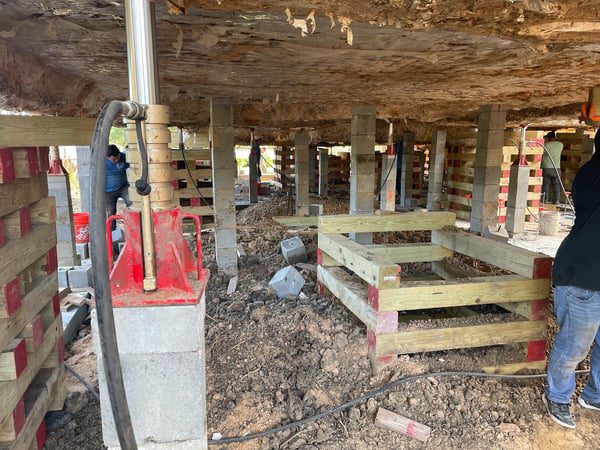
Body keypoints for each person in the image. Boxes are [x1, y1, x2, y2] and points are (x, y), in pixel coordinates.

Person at [543, 129, 600, 429]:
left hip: (590, 273)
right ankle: (558, 396)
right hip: (582, 276)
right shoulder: (592, 176)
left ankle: (595, 395)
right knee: (574, 346)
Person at [105, 144, 132, 229]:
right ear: (108, 157)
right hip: (109, 192)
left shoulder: (124, 157)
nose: (116, 160)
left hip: (123, 187)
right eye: (113, 159)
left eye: (117, 157)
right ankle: (112, 234)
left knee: (132, 203)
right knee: (110, 213)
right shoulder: (102, 163)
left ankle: (132, 227)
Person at [542, 131, 564, 204]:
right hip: (556, 168)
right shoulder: (560, 144)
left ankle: (545, 199)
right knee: (556, 184)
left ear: (547, 138)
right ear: (555, 138)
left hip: (546, 167)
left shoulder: (545, 145)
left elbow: (542, 153)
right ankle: (557, 200)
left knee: (546, 184)